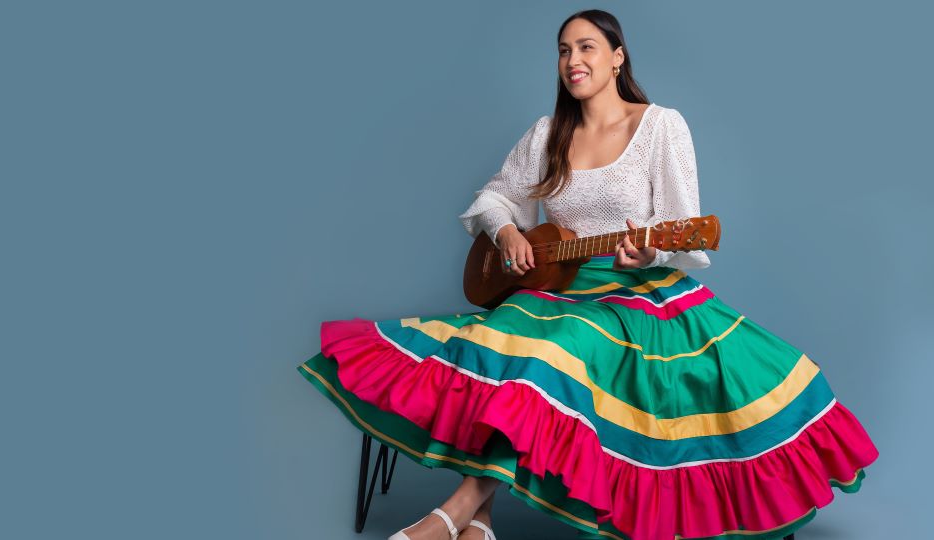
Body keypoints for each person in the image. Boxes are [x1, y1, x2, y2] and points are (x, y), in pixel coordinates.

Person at [298, 9, 878, 540]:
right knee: (501, 347)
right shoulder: (547, 133)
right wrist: (507, 234)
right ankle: (481, 521)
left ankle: (457, 512)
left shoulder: (659, 127)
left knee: (555, 352)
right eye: (562, 50)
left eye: (587, 47)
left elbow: (681, 230)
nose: (572, 60)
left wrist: (648, 254)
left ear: (618, 56)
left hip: (638, 295)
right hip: (559, 288)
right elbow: (495, 199)